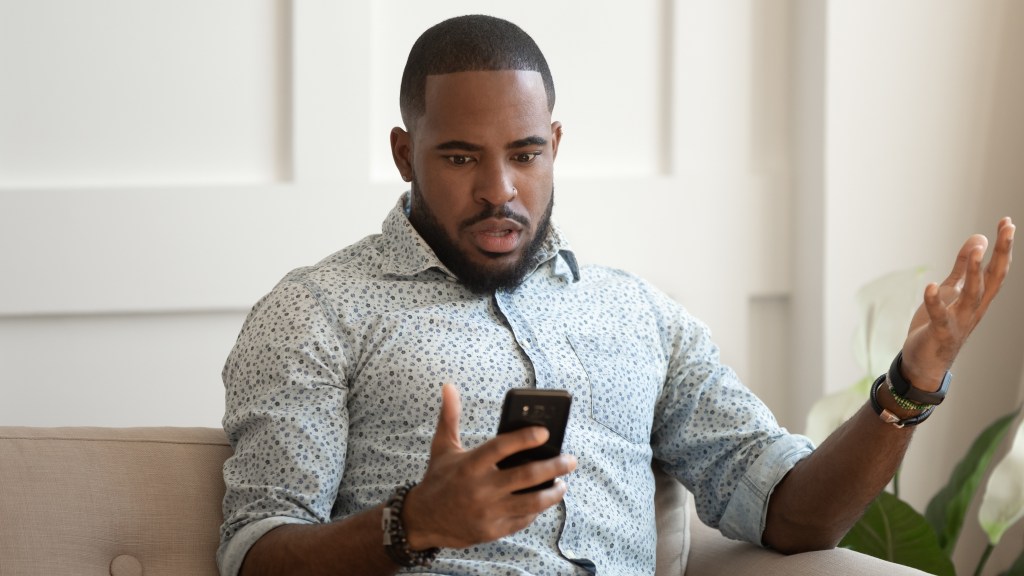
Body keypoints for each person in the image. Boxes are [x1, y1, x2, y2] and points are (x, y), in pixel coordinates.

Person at [217, 14, 1016, 576]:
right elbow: (254, 555)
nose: (500, 190)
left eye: (525, 154)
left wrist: (911, 382)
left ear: (555, 145)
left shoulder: (639, 316)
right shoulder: (318, 312)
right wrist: (414, 523)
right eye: (460, 158)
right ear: (404, 153)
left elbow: (793, 514)